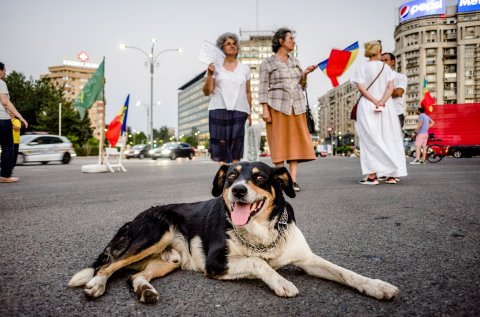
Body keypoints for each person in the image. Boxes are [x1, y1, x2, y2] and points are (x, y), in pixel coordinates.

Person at [259, 28, 317, 192]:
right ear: (280, 41)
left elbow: (302, 85)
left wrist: (305, 74)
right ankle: (280, 179)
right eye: (290, 38)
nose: (293, 41)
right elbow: (263, 88)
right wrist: (265, 109)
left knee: (295, 143)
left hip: (296, 106)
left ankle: (292, 180)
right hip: (277, 106)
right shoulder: (268, 63)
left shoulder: (295, 62)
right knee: (279, 142)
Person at [350, 41, 407, 185]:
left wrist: (374, 100)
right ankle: (392, 175)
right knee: (389, 138)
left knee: (370, 140)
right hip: (386, 107)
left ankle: (372, 176)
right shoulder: (386, 68)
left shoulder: (361, 67)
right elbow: (390, 88)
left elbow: (361, 88)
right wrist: (382, 101)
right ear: (379, 50)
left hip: (367, 105)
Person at [203, 32, 252, 165]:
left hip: (240, 109)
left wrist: (249, 113)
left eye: (234, 43)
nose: (232, 46)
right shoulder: (214, 67)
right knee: (222, 146)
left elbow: (248, 92)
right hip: (219, 109)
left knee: (237, 145)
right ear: (221, 48)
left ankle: (234, 177)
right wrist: (209, 75)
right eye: (228, 44)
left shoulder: (244, 68)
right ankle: (223, 176)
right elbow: (207, 92)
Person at [0, 62, 28, 183]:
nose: (5, 72)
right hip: (2, 119)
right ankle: (5, 175)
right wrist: (20, 116)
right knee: (7, 148)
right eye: (4, 70)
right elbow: (5, 102)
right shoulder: (1, 83)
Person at [381, 52, 407, 128]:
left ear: (393, 62)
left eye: (386, 60)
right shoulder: (378, 79)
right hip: (381, 115)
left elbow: (398, 93)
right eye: (381, 61)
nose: (383, 63)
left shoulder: (400, 77)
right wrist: (391, 91)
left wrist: (381, 93)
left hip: (396, 114)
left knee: (394, 139)